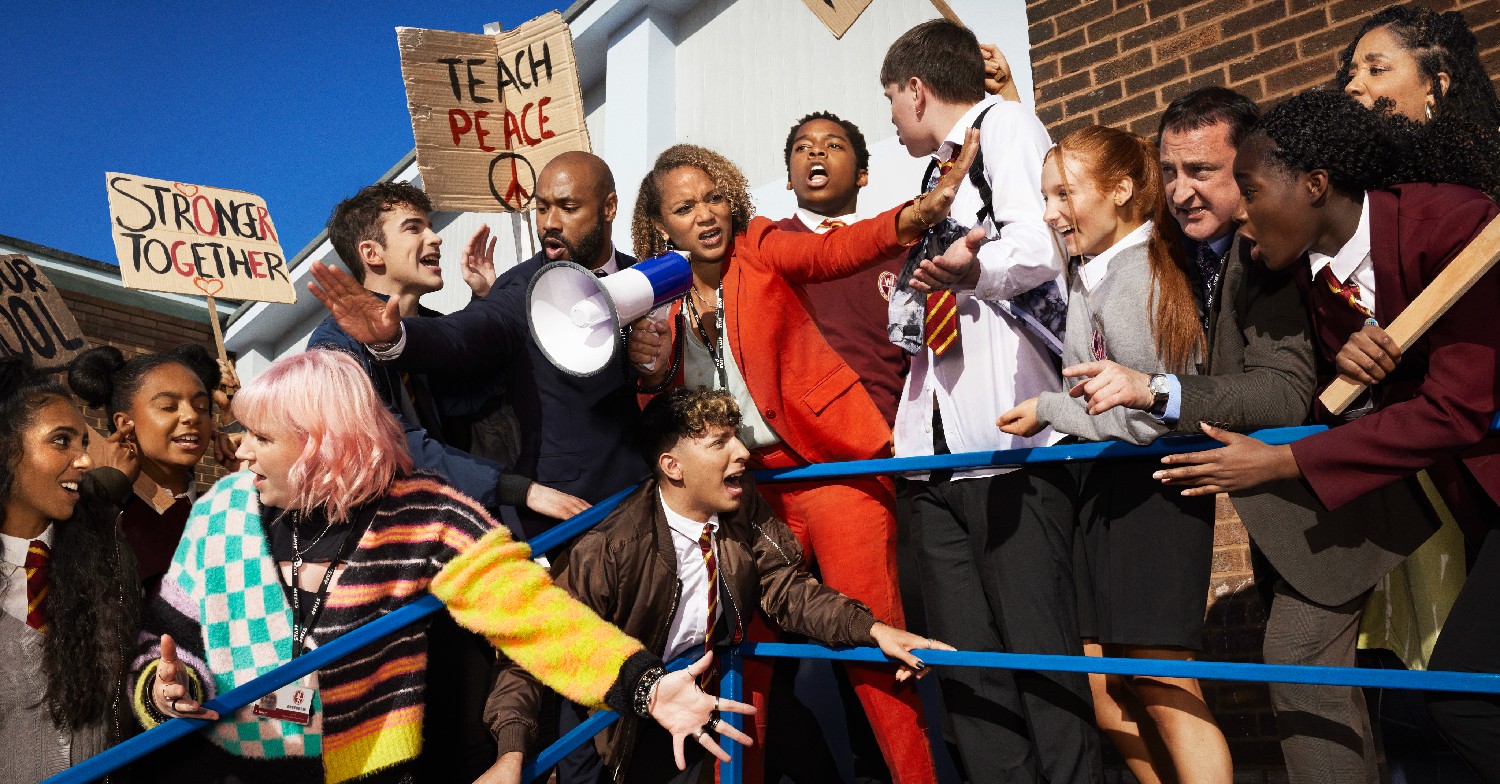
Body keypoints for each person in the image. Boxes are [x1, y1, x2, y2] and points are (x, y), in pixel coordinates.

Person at [128, 349, 750, 784]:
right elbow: (164, 646)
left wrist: (646, 686)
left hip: (365, 773)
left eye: (261, 437)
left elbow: (532, 613)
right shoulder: (221, 510)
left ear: (321, 442)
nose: (239, 450)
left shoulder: (426, 512)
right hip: (223, 768)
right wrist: (164, 687)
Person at [1154, 88, 1500, 781]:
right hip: (1473, 503)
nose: (1238, 209)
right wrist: (1353, 378)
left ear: (1314, 184)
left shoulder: (1455, 224)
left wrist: (1284, 462)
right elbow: (1353, 400)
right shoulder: (1312, 286)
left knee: (1465, 704)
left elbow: (1457, 407)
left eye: (1247, 188)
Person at [624, 136, 976, 784]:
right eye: (683, 208)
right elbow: (661, 417)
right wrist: (646, 369)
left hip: (828, 469)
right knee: (743, 662)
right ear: (658, 224)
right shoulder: (650, 298)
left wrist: (915, 217)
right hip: (744, 494)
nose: (705, 215)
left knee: (873, 650)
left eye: (712, 198)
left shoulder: (757, 246)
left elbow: (831, 250)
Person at [479, 387, 950, 784]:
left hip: (721, 678)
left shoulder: (741, 507)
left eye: (736, 437)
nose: (742, 452)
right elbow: (533, 644)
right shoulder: (611, 548)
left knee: (813, 760)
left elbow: (786, 587)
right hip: (647, 709)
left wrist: (873, 630)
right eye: (718, 442)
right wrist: (510, 752)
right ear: (673, 466)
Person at [875, 19, 1100, 784]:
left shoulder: (1005, 126)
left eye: (890, 100)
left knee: (1041, 665)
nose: (892, 117)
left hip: (1011, 437)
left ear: (915, 90)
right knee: (970, 671)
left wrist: (966, 271)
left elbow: (1041, 245)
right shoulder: (932, 179)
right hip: (937, 448)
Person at [998, 125, 1229, 784]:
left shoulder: (1148, 270)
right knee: (1105, 692)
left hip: (1154, 492)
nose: (1050, 212)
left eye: (1064, 193)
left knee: (1163, 684)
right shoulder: (1090, 275)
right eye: (1046, 197)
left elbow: (1149, 413)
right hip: (1102, 489)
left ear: (1122, 190)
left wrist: (1047, 411)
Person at [307, 152, 648, 542]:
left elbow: (474, 390)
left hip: (463, 532)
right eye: (414, 229)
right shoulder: (335, 347)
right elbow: (394, 444)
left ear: (609, 208)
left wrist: (487, 302)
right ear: (371, 253)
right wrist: (519, 489)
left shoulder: (436, 326)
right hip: (397, 544)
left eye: (431, 226)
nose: (435, 238)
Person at [0, 356, 142, 783]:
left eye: (83, 442)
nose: (83, 460)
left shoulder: (112, 561)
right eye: (61, 441)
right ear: (6, 449)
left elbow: (126, 698)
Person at [67, 343, 222, 598]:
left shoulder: (223, 507)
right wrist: (106, 487)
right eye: (168, 406)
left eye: (202, 407)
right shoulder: (85, 503)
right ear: (124, 423)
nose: (191, 416)